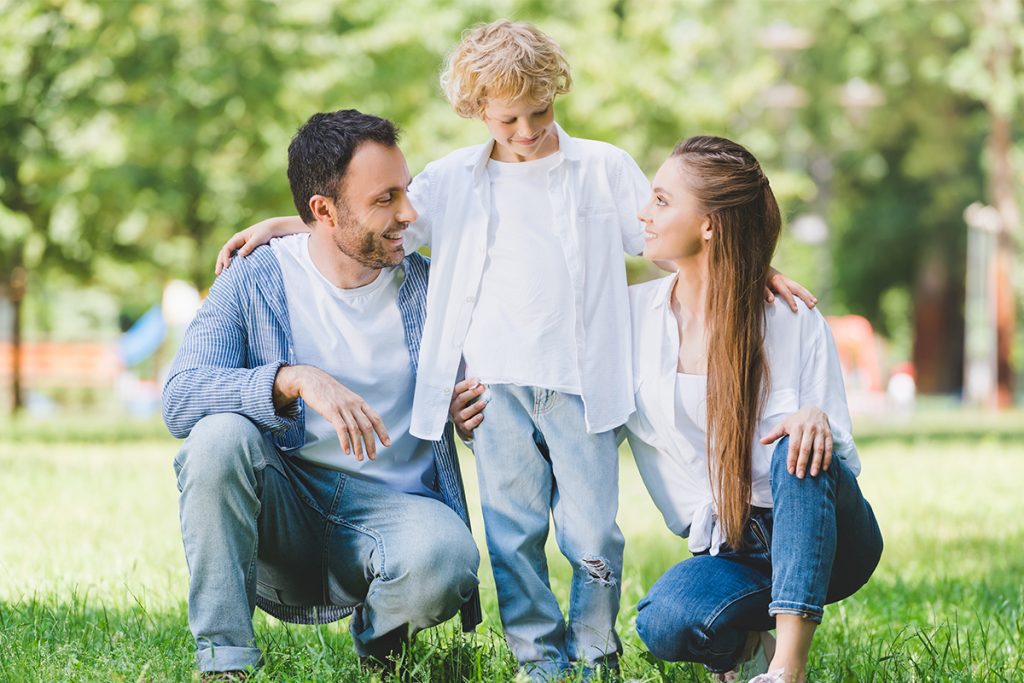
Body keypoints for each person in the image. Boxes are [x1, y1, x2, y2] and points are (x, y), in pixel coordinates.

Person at [214, 21, 812, 680]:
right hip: (495, 394)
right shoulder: (449, 182)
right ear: (477, 112)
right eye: (507, 120)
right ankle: (537, 657)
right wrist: (284, 225)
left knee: (592, 534)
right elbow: (369, 226)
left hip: (585, 388)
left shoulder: (602, 168)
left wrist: (749, 270)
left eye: (540, 111)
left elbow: (670, 238)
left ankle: (593, 652)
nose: (527, 131)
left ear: (557, 91)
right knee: (513, 535)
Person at [162, 109, 481, 679]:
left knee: (447, 558)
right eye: (386, 199)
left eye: (405, 192)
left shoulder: (434, 287)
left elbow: (488, 391)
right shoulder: (254, 276)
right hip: (287, 506)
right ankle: (224, 661)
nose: (408, 214)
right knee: (217, 436)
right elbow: (181, 397)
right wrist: (292, 379)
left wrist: (472, 414)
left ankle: (379, 647)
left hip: (395, 514)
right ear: (323, 211)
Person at [623, 136, 883, 682]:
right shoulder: (630, 321)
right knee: (665, 623)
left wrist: (816, 421)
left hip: (828, 539)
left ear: (710, 225)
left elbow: (840, 466)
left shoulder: (790, 318)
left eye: (663, 201)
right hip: (732, 543)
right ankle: (746, 639)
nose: (644, 213)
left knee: (800, 440)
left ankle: (787, 669)